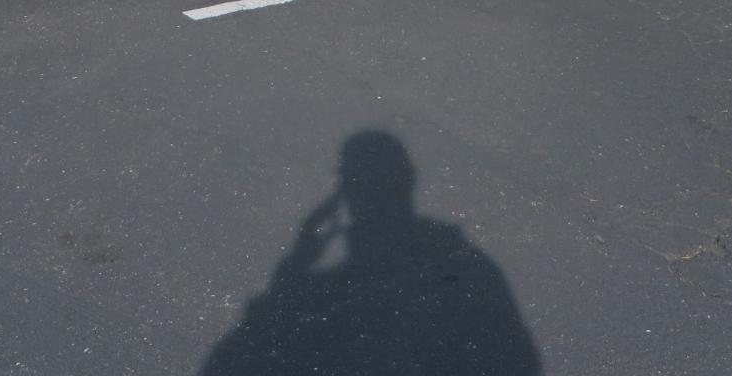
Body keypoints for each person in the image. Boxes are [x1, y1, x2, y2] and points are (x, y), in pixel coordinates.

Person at [200, 131, 541, 375]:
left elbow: (239, 352)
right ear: (408, 178)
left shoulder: (458, 261)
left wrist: (298, 261)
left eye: (349, 175)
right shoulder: (470, 261)